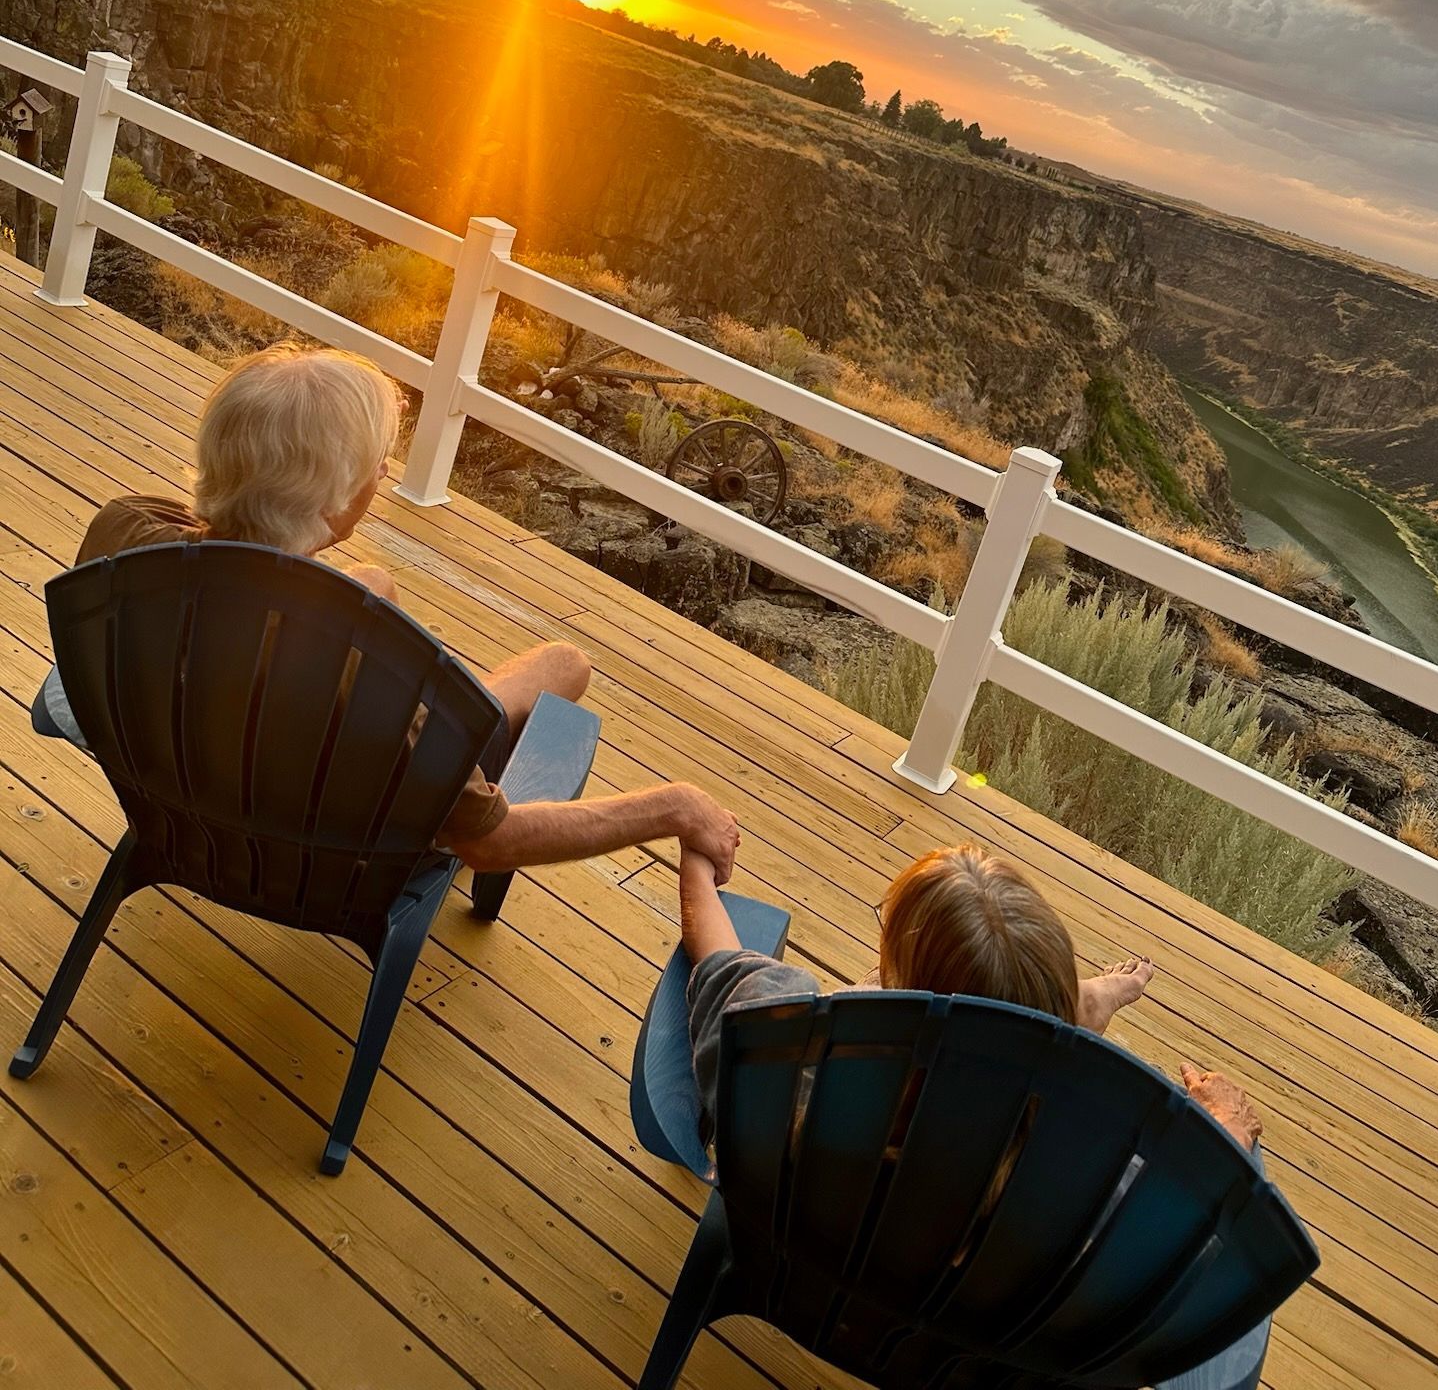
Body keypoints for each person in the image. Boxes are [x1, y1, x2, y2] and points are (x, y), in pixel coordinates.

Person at [30, 343, 740, 880]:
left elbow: (223, 557)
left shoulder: (124, 532)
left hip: (183, 790)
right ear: (336, 502)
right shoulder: (360, 668)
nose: (382, 476)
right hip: (322, 856)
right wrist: (671, 807)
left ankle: (450, 712)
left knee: (370, 585)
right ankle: (456, 720)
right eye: (377, 465)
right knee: (566, 665)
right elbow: (488, 844)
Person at [683, 841, 1261, 1150]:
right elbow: (1183, 1215)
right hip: (964, 1328)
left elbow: (721, 964)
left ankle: (1068, 1001)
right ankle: (1071, 1008)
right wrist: (1225, 1130)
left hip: (799, 1259)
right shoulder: (1071, 1154)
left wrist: (697, 862)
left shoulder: (788, 1064)